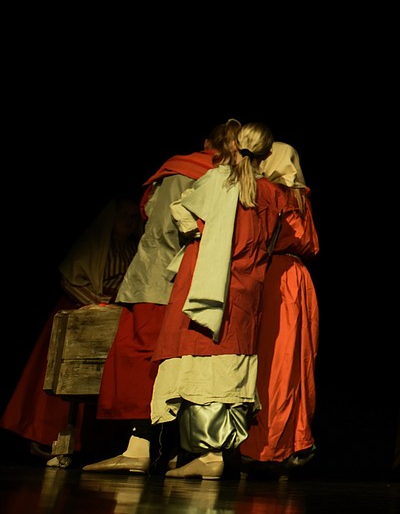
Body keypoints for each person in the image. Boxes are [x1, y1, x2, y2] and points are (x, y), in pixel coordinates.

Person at [82, 119, 242, 475]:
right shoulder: (221, 177)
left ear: (205, 142)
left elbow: (158, 225)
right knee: (177, 365)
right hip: (194, 285)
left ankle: (140, 449)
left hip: (159, 281)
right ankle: (172, 449)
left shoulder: (181, 170)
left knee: (145, 361)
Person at [149, 121, 287, 479]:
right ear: (266, 154)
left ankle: (208, 456)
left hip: (208, 279)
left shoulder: (217, 180)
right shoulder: (272, 192)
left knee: (200, 355)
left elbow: (180, 212)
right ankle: (208, 452)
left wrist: (199, 233)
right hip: (246, 284)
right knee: (225, 359)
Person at [0, 190, 142, 466]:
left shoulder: (131, 250)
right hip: (82, 314)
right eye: (123, 215)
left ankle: (91, 443)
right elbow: (70, 279)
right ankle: (46, 436)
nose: (127, 221)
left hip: (111, 320)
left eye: (133, 217)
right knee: (61, 380)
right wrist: (97, 306)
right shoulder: (95, 244)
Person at [239, 141, 321, 477]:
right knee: (294, 361)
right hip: (299, 278)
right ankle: (291, 442)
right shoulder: (301, 196)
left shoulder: (269, 192)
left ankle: (265, 445)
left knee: (276, 361)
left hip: (275, 277)